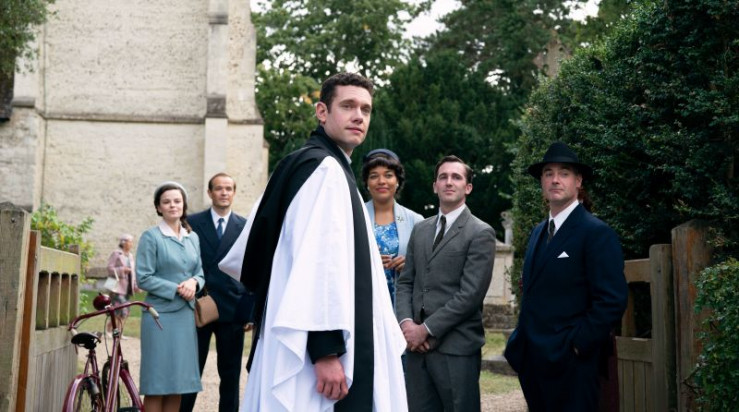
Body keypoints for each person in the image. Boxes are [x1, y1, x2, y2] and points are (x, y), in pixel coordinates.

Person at [219, 72, 407, 412]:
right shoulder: (324, 170)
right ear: (322, 112)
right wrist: (326, 350)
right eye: (347, 106)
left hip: (308, 335)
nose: (358, 116)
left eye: (365, 109)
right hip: (317, 352)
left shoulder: (310, 163)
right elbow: (318, 264)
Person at [504, 142, 628, 411]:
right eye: (548, 173)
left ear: (578, 181)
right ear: (541, 181)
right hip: (534, 363)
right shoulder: (538, 232)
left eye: (564, 173)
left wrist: (577, 346)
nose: (555, 179)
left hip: (573, 366)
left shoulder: (596, 232)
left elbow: (612, 300)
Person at [395, 155, 496, 412]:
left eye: (456, 177)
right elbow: (406, 282)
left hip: (456, 349)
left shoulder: (480, 232)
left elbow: (470, 295)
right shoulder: (421, 229)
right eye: (443, 177)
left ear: (468, 187)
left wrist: (426, 330)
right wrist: (407, 326)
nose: (449, 182)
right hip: (416, 350)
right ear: (435, 186)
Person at [180, 173, 252, 412]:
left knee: (230, 375)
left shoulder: (245, 226)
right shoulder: (191, 223)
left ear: (234, 193)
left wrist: (249, 311)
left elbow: (252, 269)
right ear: (210, 192)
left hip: (232, 309)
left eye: (228, 188)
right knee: (190, 372)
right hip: (198, 305)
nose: (224, 192)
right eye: (219, 188)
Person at [136, 181, 205, 412]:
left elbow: (200, 272)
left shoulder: (192, 238)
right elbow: (143, 278)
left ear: (184, 205)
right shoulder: (151, 237)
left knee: (178, 384)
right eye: (166, 202)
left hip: (185, 317)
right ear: (158, 207)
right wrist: (176, 288)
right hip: (159, 317)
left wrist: (194, 282)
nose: (172, 205)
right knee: (157, 384)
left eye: (177, 201)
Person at [361, 149, 423, 307]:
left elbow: (429, 268)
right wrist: (365, 262)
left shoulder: (416, 221)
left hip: (403, 307)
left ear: (397, 181)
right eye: (374, 176)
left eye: (388, 175)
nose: (381, 181)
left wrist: (411, 267)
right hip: (363, 303)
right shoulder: (354, 217)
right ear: (367, 183)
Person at [105, 233, 137, 339]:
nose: (131, 244)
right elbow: (109, 268)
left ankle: (119, 333)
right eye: (129, 241)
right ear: (123, 242)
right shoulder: (116, 253)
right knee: (118, 311)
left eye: (131, 242)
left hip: (127, 288)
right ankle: (109, 330)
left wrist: (135, 285)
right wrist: (122, 270)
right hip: (116, 288)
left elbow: (133, 273)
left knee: (125, 312)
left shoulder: (130, 256)